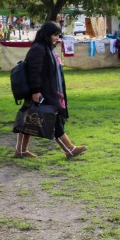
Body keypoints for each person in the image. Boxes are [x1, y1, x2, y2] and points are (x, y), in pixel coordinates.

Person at [14, 22, 87, 159]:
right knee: (53, 119)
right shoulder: (39, 49)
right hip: (42, 92)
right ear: (47, 34)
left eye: (58, 35)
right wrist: (36, 91)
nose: (57, 37)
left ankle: (21, 150)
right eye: (55, 35)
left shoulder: (46, 48)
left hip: (46, 91)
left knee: (29, 119)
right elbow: (33, 72)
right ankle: (69, 149)